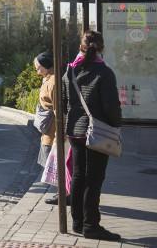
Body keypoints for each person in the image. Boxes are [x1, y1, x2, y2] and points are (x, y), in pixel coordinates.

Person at [62, 30, 122, 241]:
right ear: (101, 48)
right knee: (93, 180)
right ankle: (91, 225)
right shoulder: (104, 73)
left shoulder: (69, 71)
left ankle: (77, 222)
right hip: (97, 133)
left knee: (78, 177)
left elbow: (63, 103)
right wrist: (116, 125)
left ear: (81, 46)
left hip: (76, 133)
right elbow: (111, 106)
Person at [34, 52, 70, 205]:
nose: (36, 71)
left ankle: (64, 195)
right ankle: (62, 193)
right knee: (52, 163)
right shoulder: (48, 79)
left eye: (38, 67)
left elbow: (58, 110)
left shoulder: (54, 81)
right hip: (48, 131)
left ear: (46, 66)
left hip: (53, 132)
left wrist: (60, 135)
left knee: (56, 164)